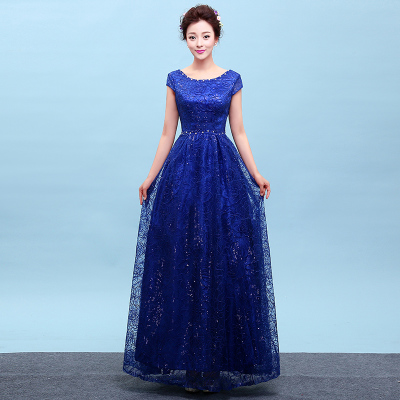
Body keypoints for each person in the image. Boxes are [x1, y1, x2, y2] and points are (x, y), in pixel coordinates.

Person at [123, 4, 280, 393]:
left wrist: (256, 172)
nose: (199, 42)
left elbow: (239, 131)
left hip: (223, 175)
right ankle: (188, 361)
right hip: (183, 176)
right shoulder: (175, 79)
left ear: (216, 37)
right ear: (185, 38)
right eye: (192, 36)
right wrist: (150, 176)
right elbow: (167, 133)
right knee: (186, 259)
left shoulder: (232, 80)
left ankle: (220, 361)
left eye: (205, 36)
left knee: (224, 259)